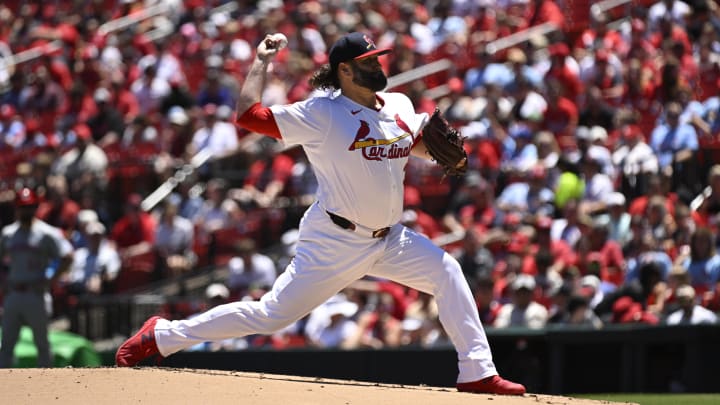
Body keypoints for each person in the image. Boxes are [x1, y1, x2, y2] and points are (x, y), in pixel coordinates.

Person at [115, 32, 525, 395]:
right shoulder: (322, 113)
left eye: (377, 58)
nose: (378, 64)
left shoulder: (398, 102)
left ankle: (477, 372)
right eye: (368, 61)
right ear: (344, 70)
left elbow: (409, 144)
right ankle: (163, 336)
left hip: (389, 238)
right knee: (271, 316)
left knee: (447, 271)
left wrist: (439, 153)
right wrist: (260, 61)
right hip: (335, 238)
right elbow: (248, 115)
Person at [0, 188, 74, 367]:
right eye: (23, 207)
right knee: (7, 344)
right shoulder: (8, 233)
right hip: (14, 292)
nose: (26, 211)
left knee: (42, 343)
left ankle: (45, 385)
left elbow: (67, 256)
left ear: (35, 207)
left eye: (30, 206)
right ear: (16, 208)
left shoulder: (46, 232)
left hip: (36, 293)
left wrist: (52, 280)